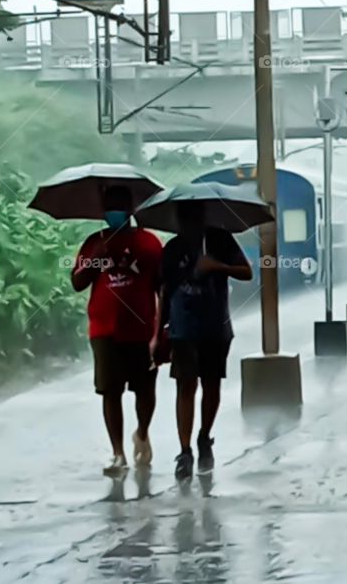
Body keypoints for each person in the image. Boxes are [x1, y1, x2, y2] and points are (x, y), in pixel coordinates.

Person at [71, 185, 163, 477]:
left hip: (141, 327)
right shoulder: (93, 242)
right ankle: (118, 453)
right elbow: (78, 282)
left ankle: (143, 432)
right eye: (109, 206)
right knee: (110, 391)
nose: (114, 212)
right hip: (104, 328)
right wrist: (96, 258)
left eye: (119, 206)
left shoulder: (149, 243)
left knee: (145, 390)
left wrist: (161, 330)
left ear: (131, 209)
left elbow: (162, 285)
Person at [160, 202, 252, 479]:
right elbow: (165, 290)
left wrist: (217, 266)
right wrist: (161, 330)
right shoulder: (173, 249)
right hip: (183, 328)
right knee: (185, 386)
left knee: (212, 384)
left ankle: (204, 436)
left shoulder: (220, 240)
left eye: (192, 216)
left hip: (216, 326)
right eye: (183, 218)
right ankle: (185, 450)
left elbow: (246, 272)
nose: (187, 223)